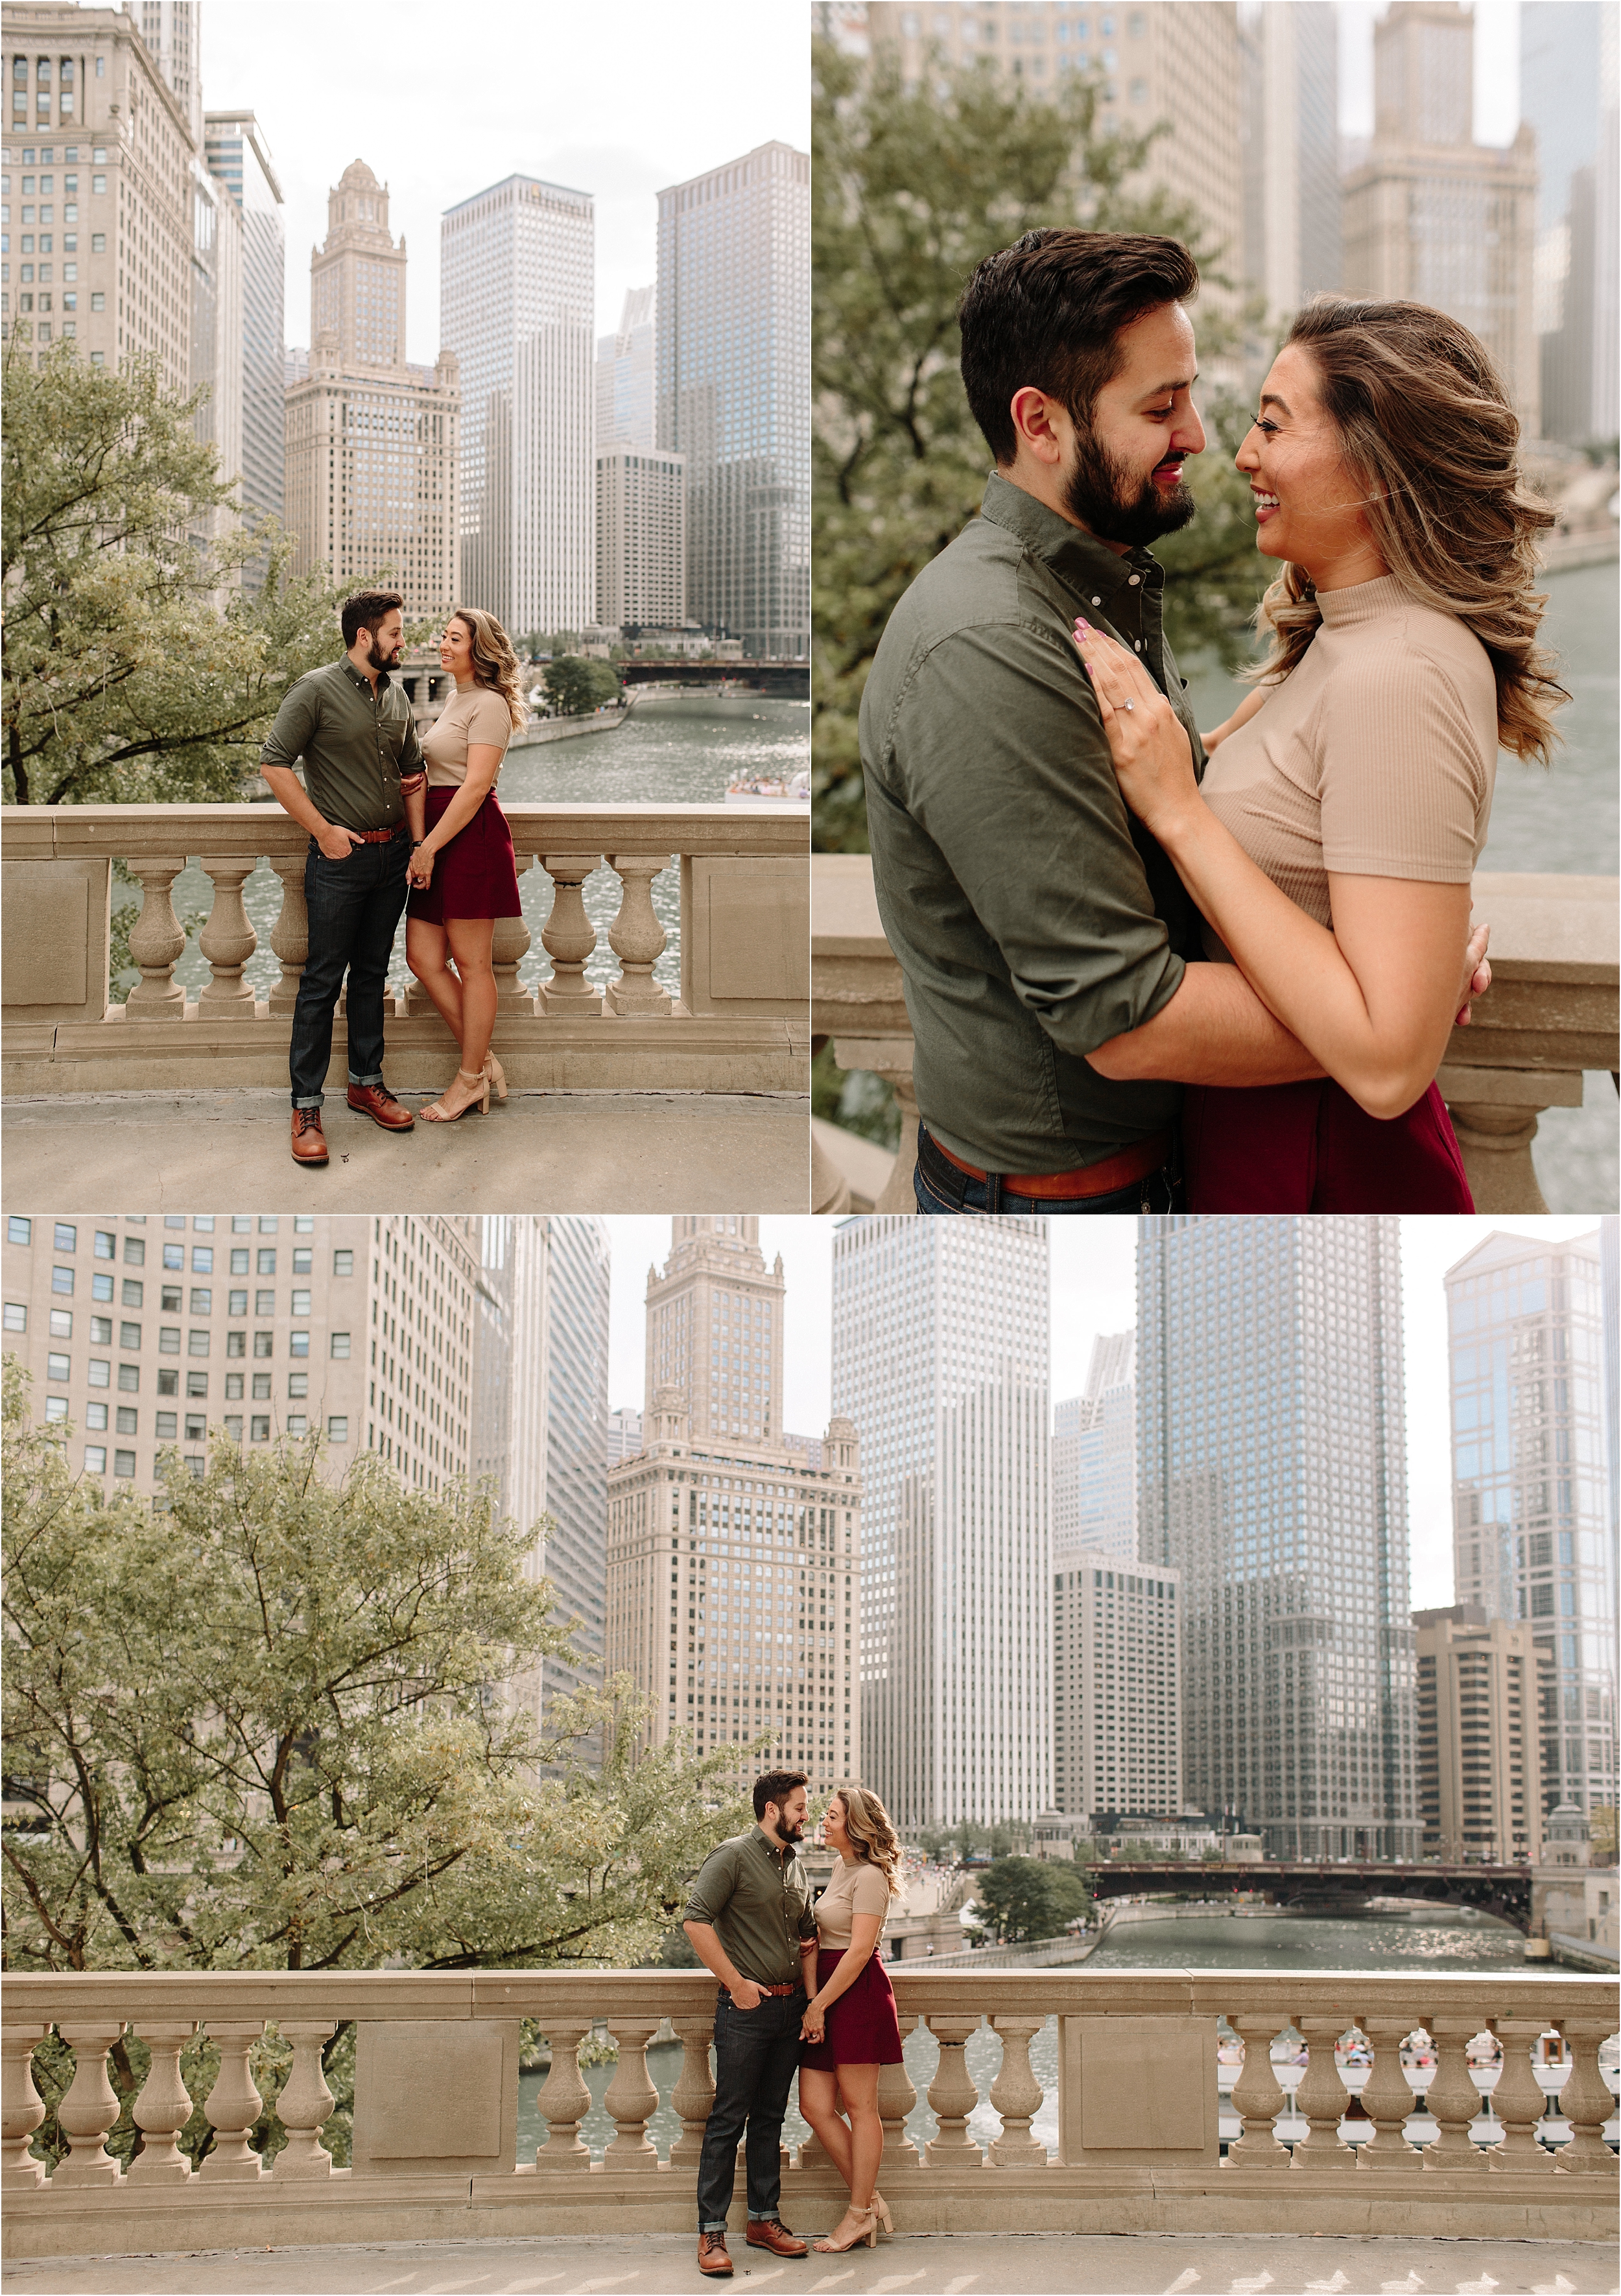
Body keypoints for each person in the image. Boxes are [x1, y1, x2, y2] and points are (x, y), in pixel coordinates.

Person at [858, 229, 1491, 1215]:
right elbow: (1127, 1017)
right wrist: (1392, 1011)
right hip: (1065, 1205)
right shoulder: (989, 643)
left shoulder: (1105, 591)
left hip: (1173, 1171)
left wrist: (1391, 986)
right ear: (1042, 424)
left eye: (1202, 398)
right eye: (1162, 407)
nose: (1206, 437)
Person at [1073, 295, 1565, 1210]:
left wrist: (1180, 809)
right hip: (1260, 1134)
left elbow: (1386, 1062)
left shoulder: (1403, 669)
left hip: (1323, 1159)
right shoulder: (1339, 642)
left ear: (1377, 465)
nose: (1244, 452)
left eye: (1272, 424)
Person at [260, 589, 425, 1168]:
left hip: (392, 860)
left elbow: (413, 775)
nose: (404, 641)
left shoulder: (399, 695)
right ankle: (306, 1106)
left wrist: (420, 843)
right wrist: (322, 830)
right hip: (339, 860)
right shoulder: (316, 688)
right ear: (365, 636)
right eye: (397, 632)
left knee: (373, 975)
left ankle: (365, 1083)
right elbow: (274, 762)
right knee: (322, 980)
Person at [683, 1770, 820, 2279]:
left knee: (770, 2117)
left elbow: (808, 1939)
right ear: (772, 1809)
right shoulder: (732, 1855)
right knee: (728, 2118)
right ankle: (711, 2230)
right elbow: (695, 1920)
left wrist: (810, 2002)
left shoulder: (797, 1866)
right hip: (746, 2010)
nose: (807, 1814)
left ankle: (764, 2221)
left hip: (790, 2012)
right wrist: (737, 1983)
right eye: (801, 1806)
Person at [403, 607, 527, 1122]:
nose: (443, 644)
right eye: (445, 636)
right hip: (437, 832)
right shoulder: (457, 696)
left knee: (474, 965)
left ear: (479, 650)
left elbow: (476, 785)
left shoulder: (491, 704)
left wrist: (428, 846)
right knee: (422, 955)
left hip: (468, 834)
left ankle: (468, 1078)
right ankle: (484, 1062)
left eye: (454, 638)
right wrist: (423, 840)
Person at [797, 1785, 906, 2255]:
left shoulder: (872, 1876)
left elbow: (860, 1949)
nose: (824, 1820)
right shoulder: (842, 1866)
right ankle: (870, 2200)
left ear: (856, 1825)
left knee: (861, 2108)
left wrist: (818, 2003)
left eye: (833, 1815)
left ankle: (858, 2213)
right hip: (826, 1991)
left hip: (856, 1993)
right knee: (814, 2105)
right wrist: (814, 1998)